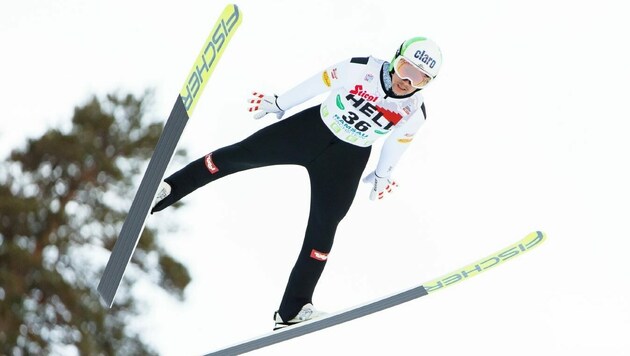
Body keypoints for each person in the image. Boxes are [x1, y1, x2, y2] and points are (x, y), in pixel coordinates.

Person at [151, 37, 443, 330]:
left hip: (347, 160)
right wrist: (280, 103)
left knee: (324, 231)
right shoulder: (361, 69)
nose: (408, 81)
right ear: (396, 59)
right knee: (236, 156)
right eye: (406, 69)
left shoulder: (414, 110)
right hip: (309, 131)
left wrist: (382, 173)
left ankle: (293, 308)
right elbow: (317, 84)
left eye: (420, 79)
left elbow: (397, 143)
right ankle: (167, 190)